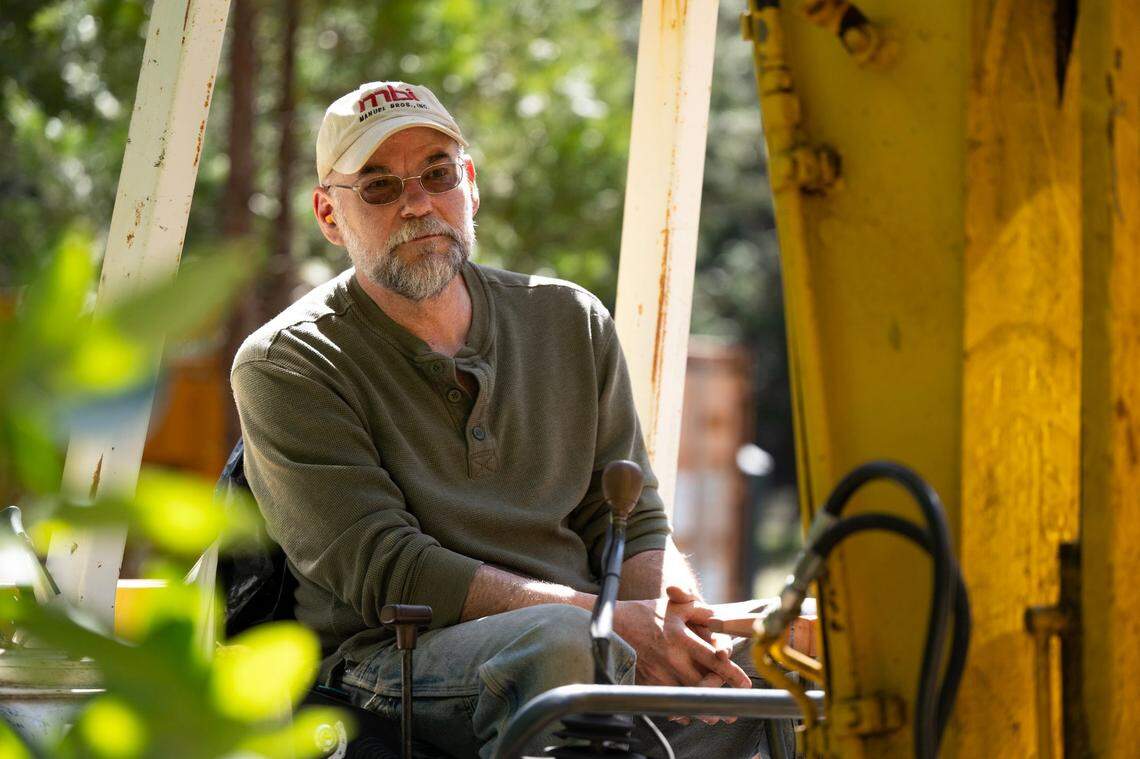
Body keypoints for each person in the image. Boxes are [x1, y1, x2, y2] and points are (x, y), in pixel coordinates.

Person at [231, 81, 793, 758]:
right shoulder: (287, 362)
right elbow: (390, 569)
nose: (417, 203)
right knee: (562, 649)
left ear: (469, 184)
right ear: (328, 214)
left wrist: (679, 626)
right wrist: (610, 624)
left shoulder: (569, 319)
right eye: (379, 187)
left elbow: (629, 519)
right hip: (392, 666)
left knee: (808, 645)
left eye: (437, 173)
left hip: (588, 639)